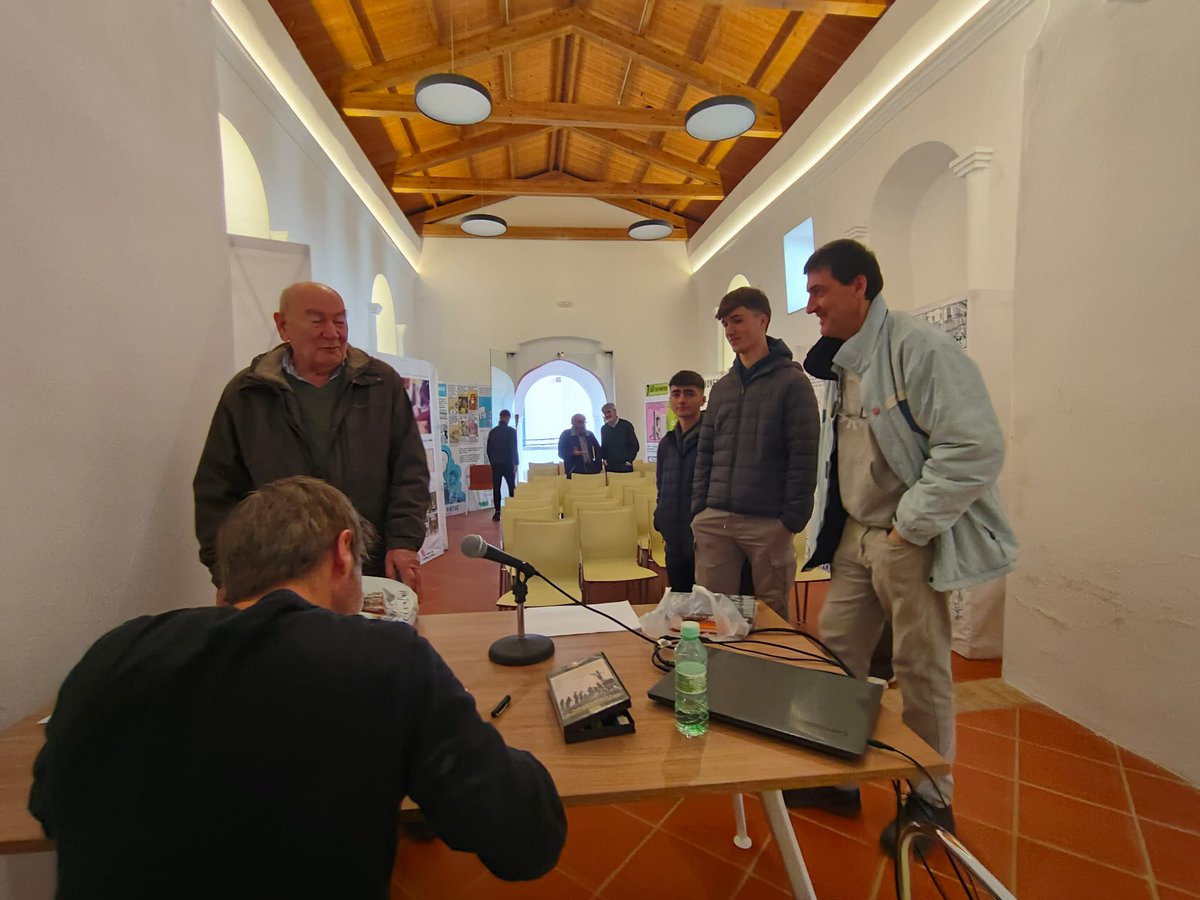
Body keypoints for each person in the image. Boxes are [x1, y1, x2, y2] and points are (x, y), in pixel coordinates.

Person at [29, 476, 566, 899]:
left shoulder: (112, 654)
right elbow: (527, 841)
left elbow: (48, 804)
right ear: (342, 554)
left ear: (227, 584)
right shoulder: (383, 661)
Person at [792, 238, 1017, 853]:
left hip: (903, 539)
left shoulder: (922, 350)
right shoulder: (839, 361)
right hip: (854, 540)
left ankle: (931, 801)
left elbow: (975, 447)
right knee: (837, 652)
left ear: (860, 286)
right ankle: (838, 779)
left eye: (820, 292)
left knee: (921, 668)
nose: (812, 306)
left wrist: (907, 527)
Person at [193, 282, 429, 593]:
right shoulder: (247, 393)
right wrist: (226, 574)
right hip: (277, 571)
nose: (332, 333)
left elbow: (409, 472)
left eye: (340, 320)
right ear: (282, 325)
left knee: (369, 640)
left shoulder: (380, 384)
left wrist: (403, 542)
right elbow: (217, 490)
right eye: (317, 321)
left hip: (367, 563)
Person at [691, 287, 820, 619]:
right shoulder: (722, 389)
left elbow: (803, 456)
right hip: (717, 518)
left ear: (763, 320)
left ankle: (769, 670)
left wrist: (790, 520)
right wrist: (700, 509)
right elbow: (705, 453)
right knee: (714, 613)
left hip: (767, 522)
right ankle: (720, 671)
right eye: (725, 324)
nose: (730, 331)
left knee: (770, 613)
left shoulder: (792, 383)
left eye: (737, 320)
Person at [654, 371, 706, 591]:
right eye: (676, 394)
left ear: (703, 399)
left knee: (705, 603)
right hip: (673, 534)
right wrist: (660, 518)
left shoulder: (711, 438)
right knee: (679, 599)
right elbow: (661, 485)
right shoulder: (666, 443)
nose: (682, 400)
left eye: (689, 393)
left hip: (702, 537)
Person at [486, 409, 519, 520]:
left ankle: (497, 512)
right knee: (511, 486)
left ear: (500, 417)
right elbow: (513, 448)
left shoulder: (493, 432)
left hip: (495, 464)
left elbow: (488, 449)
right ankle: (513, 509)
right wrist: (515, 464)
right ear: (508, 418)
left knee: (496, 488)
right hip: (508, 463)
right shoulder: (511, 431)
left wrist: (492, 461)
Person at [599, 403, 640, 473]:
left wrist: (629, 461)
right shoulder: (604, 429)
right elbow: (604, 446)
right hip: (610, 466)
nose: (607, 415)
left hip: (625, 466)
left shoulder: (626, 425)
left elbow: (635, 445)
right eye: (604, 413)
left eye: (609, 412)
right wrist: (604, 459)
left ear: (614, 411)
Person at [557, 413, 601, 477]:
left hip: (591, 470)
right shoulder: (565, 435)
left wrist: (597, 467)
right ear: (572, 422)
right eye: (580, 422)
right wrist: (573, 453)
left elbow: (598, 451)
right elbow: (561, 453)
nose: (583, 424)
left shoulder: (589, 434)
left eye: (584, 422)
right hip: (574, 472)